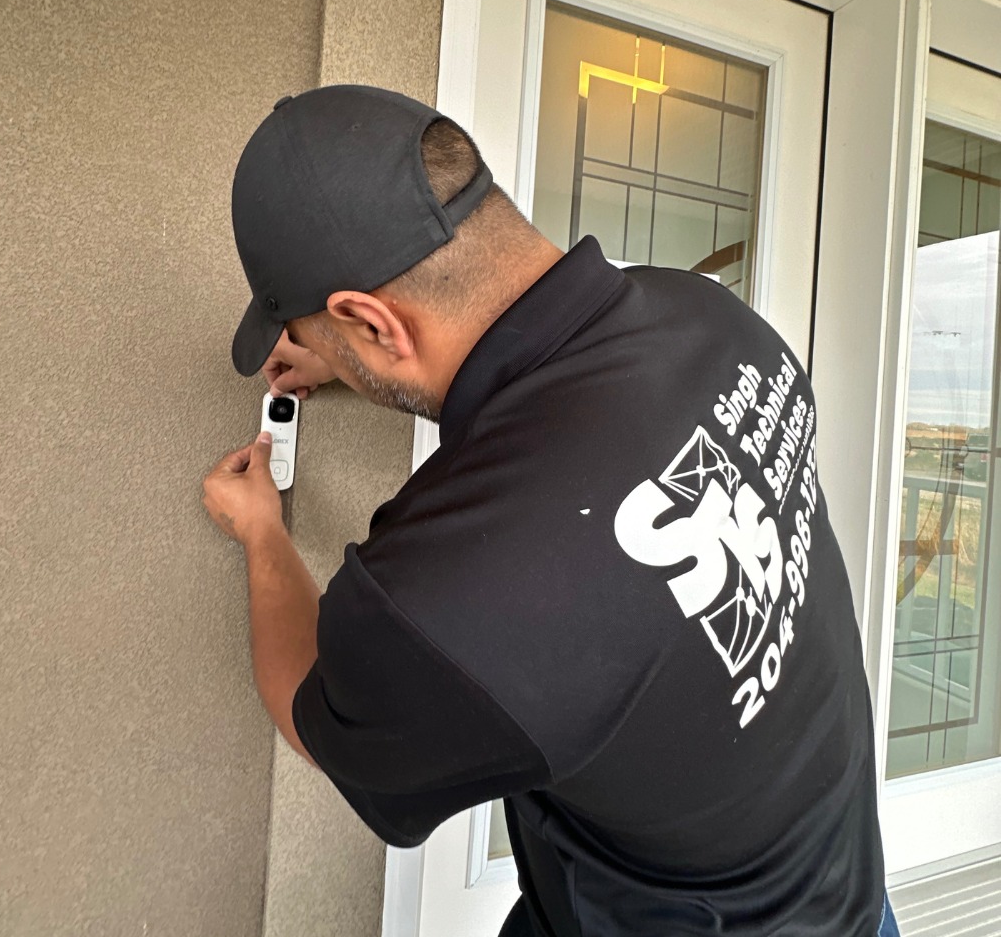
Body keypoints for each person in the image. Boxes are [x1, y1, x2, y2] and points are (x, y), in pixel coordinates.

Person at [201, 85, 899, 937]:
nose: (310, 349)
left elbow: (317, 715)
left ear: (374, 322)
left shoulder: (444, 590)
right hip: (849, 890)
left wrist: (262, 530)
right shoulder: (713, 319)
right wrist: (350, 358)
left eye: (312, 332)